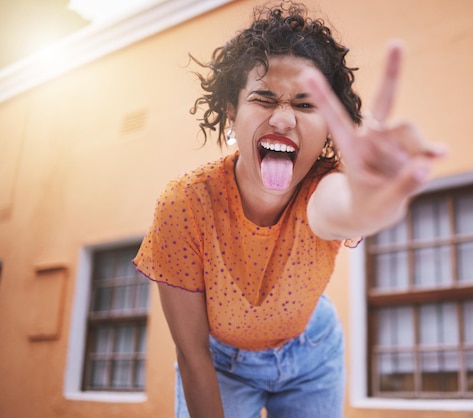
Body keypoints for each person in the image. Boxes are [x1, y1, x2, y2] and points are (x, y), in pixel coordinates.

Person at [133, 2, 446, 417]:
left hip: (313, 355)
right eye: (264, 99)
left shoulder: (324, 185)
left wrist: (371, 199)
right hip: (221, 365)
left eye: (304, 105)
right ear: (232, 111)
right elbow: (192, 357)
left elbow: (342, 207)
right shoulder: (185, 204)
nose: (283, 119)